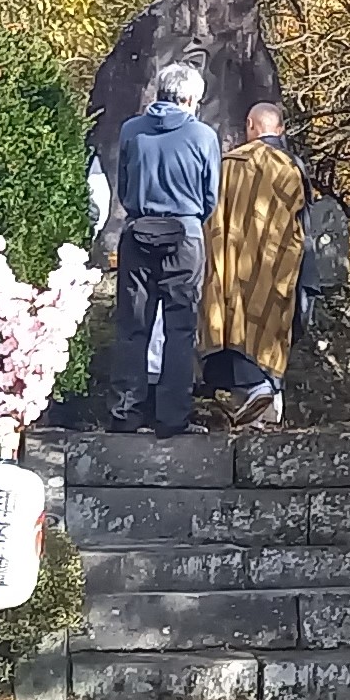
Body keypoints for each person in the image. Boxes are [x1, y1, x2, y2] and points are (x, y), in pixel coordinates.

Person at [109, 61, 221, 435]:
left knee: (132, 327)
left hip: (138, 231)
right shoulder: (203, 136)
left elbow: (123, 187)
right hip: (184, 235)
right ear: (190, 98)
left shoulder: (131, 130)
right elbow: (210, 196)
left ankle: (126, 413)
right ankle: (172, 419)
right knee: (180, 327)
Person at [200, 102, 309, 428]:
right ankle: (265, 395)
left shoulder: (228, 163)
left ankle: (247, 394)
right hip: (273, 267)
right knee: (269, 323)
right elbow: (302, 227)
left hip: (227, 264)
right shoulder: (290, 166)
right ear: (281, 130)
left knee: (228, 321)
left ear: (250, 125)